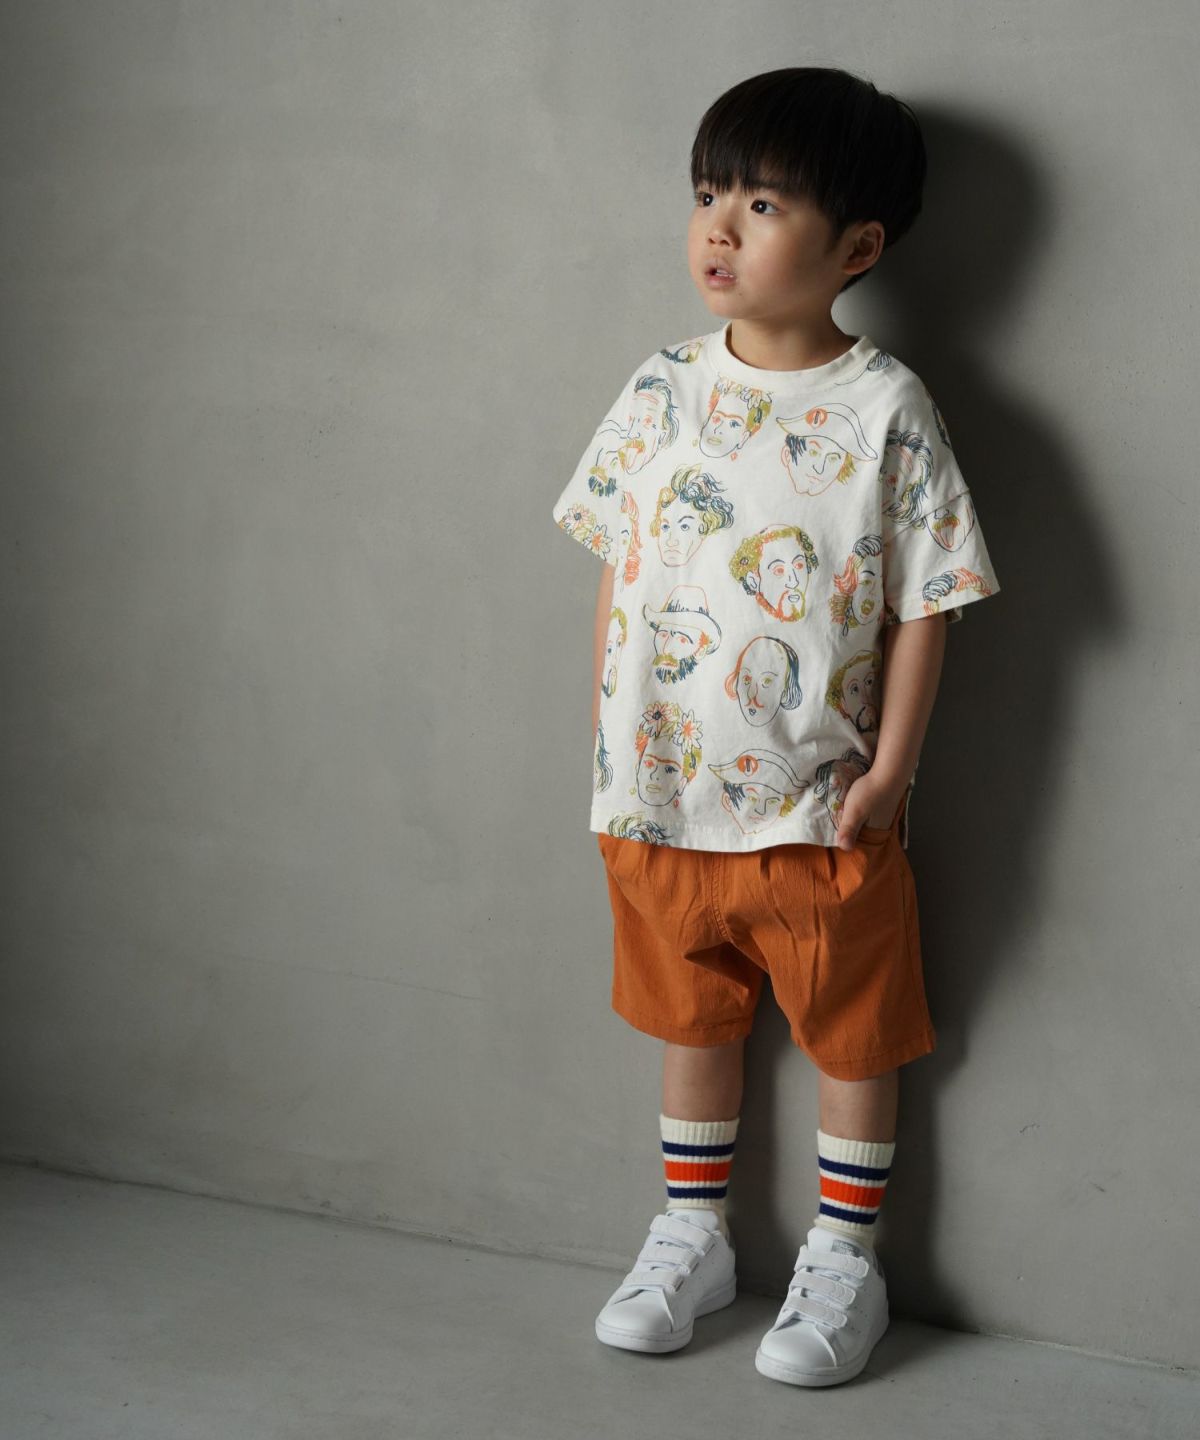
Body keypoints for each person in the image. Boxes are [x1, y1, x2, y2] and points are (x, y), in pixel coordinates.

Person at [549, 66, 1001, 1389]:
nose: (718, 228)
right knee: (692, 1018)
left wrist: (894, 771)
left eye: (760, 203)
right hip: (659, 797)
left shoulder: (887, 410)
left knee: (852, 1031)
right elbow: (621, 567)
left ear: (856, 247)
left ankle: (846, 1260)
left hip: (821, 806)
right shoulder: (660, 389)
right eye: (709, 194)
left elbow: (928, 606)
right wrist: (609, 735)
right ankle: (693, 1236)